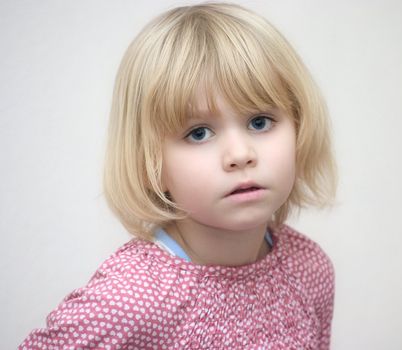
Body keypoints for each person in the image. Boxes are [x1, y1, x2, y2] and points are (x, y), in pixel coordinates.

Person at [19, 2, 337, 349]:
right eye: (198, 132)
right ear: (149, 161)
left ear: (300, 127)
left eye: (259, 122)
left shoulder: (309, 269)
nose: (241, 154)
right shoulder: (131, 301)